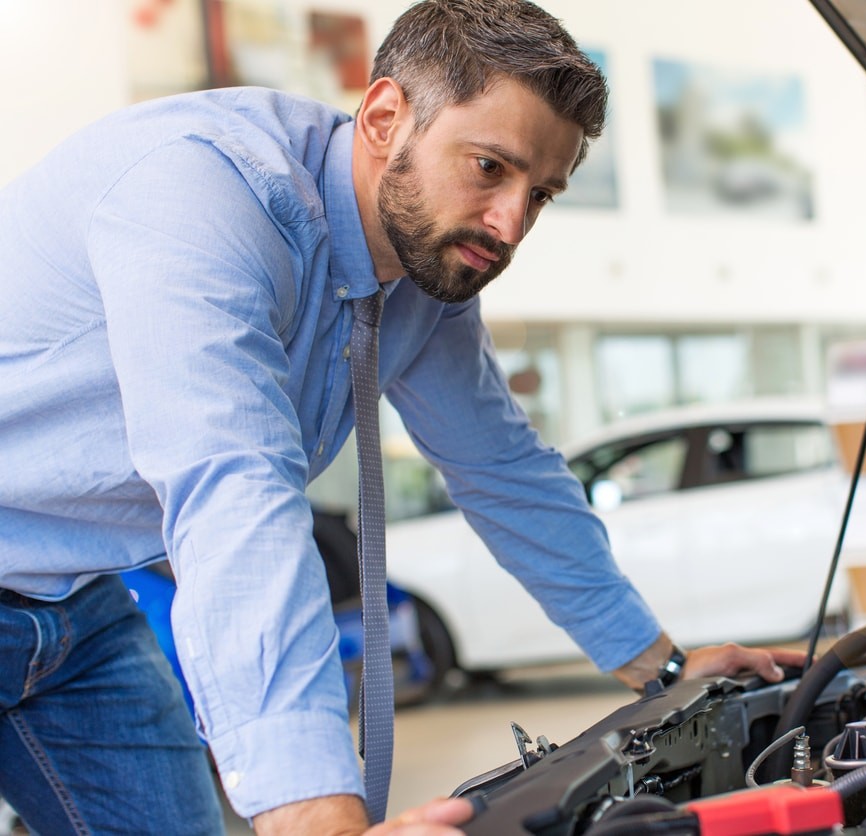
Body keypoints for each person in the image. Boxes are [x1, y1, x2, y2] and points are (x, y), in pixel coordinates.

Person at [0, 1, 806, 834]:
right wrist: (318, 819)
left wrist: (664, 668)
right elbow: (234, 489)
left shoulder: (425, 279)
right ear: (386, 116)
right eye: (490, 166)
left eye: (542, 194)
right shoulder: (202, 194)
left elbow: (504, 469)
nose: (509, 225)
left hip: (76, 610)